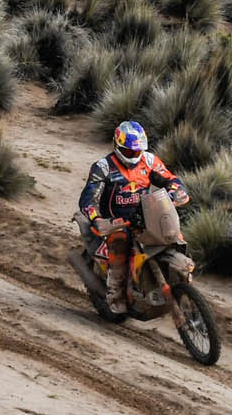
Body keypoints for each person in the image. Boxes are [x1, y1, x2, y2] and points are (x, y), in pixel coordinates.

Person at [78, 121, 189, 314]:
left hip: (145, 216)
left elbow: (169, 178)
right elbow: (88, 198)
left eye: (137, 152)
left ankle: (181, 278)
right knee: (119, 247)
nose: (134, 156)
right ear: (118, 147)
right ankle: (115, 296)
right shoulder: (103, 167)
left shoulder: (149, 161)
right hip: (115, 221)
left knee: (174, 235)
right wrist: (97, 219)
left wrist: (176, 191)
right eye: (129, 152)